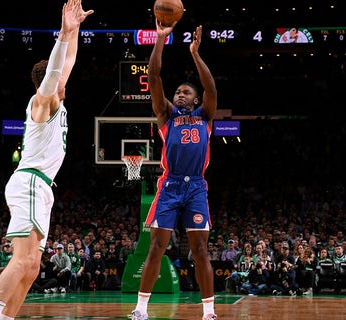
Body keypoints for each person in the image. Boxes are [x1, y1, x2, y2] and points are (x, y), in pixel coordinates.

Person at [0, 2, 93, 319]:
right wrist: (63, 33)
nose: (65, 80)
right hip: (29, 182)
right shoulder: (42, 102)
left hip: (41, 188)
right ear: (50, 82)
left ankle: (6, 317)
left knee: (32, 266)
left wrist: (75, 29)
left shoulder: (57, 97)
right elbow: (59, 67)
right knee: (21, 260)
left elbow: (69, 59)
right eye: (60, 78)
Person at [130, 18, 218, 320]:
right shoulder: (166, 114)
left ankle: (209, 312)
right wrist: (160, 38)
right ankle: (141, 308)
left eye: (185, 92)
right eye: (178, 91)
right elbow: (153, 76)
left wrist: (195, 52)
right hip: (169, 186)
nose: (180, 94)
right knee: (156, 247)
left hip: (196, 186)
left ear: (195, 100)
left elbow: (211, 87)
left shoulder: (205, 116)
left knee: (201, 251)